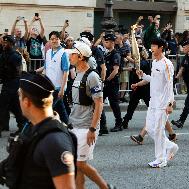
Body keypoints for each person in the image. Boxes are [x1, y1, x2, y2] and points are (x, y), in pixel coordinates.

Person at [11, 73, 76, 188]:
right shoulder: (35, 129)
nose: (18, 101)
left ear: (27, 102)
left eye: (19, 96)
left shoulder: (54, 140)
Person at [66, 41, 115, 189]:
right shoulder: (78, 73)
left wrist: (93, 129)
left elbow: (99, 103)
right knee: (78, 165)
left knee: (79, 163)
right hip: (74, 124)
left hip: (86, 127)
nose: (70, 56)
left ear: (81, 57)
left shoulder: (92, 76)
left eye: (73, 54)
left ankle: (105, 187)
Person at [136, 38, 178, 168]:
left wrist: (170, 104)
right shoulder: (154, 62)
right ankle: (171, 146)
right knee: (150, 129)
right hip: (153, 102)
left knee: (159, 131)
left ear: (161, 48)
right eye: (151, 46)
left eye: (154, 46)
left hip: (163, 104)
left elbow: (170, 85)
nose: (151, 48)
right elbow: (153, 80)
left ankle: (160, 159)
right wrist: (143, 75)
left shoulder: (167, 64)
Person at [36, 31, 70, 124]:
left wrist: (62, 89)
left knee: (48, 109)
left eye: (56, 39)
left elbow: (65, 72)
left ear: (60, 40)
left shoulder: (63, 53)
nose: (54, 41)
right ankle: (68, 126)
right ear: (49, 41)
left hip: (58, 87)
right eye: (52, 39)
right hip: (49, 87)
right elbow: (46, 67)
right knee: (61, 109)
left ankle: (42, 128)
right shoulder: (48, 52)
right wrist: (37, 71)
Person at [0, 35, 26, 136]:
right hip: (6, 83)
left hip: (14, 83)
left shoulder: (16, 56)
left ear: (11, 44)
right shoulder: (2, 55)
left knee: (15, 107)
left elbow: (18, 71)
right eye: (4, 42)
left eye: (6, 43)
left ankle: (22, 127)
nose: (4, 44)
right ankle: (8, 125)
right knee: (6, 106)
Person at [100, 33, 123, 132]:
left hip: (112, 83)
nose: (104, 43)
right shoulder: (107, 53)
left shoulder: (115, 54)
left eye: (106, 42)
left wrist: (106, 79)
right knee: (99, 102)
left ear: (112, 42)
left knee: (114, 104)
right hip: (106, 83)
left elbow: (115, 70)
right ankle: (102, 125)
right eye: (104, 41)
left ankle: (119, 123)